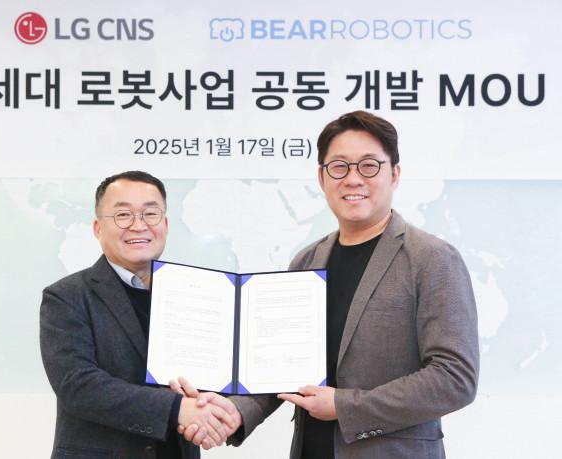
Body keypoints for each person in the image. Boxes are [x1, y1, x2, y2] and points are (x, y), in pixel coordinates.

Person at [181, 111, 480, 458]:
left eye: (369, 166)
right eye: (339, 167)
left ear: (395, 174)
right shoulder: (306, 261)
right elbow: (280, 367)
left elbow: (454, 378)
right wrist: (236, 411)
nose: (353, 179)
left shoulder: (431, 258)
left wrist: (345, 406)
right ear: (322, 178)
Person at [40, 171, 239, 459]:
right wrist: (177, 409)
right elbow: (78, 386)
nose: (138, 225)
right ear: (98, 228)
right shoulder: (66, 297)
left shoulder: (192, 293)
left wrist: (213, 410)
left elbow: (210, 373)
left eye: (150, 214)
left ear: (165, 224)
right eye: (123, 215)